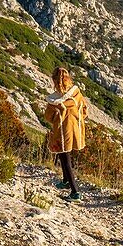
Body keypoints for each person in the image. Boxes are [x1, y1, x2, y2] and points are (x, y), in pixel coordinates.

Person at [44, 66, 89, 201]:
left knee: (65, 159)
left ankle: (75, 192)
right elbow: (85, 110)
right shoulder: (77, 93)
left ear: (54, 80)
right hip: (77, 129)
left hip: (63, 133)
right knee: (66, 156)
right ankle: (65, 181)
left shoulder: (54, 101)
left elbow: (48, 117)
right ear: (68, 78)